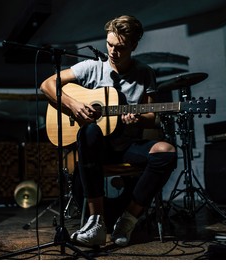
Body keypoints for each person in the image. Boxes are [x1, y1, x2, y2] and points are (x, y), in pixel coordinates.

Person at [40, 15, 177, 247]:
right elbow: (47, 85)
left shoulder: (144, 73)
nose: (113, 51)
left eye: (120, 47)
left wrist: (136, 118)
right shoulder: (91, 68)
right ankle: (97, 222)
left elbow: (153, 117)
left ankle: (129, 218)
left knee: (167, 152)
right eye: (109, 44)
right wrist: (74, 106)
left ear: (133, 45)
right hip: (96, 149)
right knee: (89, 132)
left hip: (126, 147)